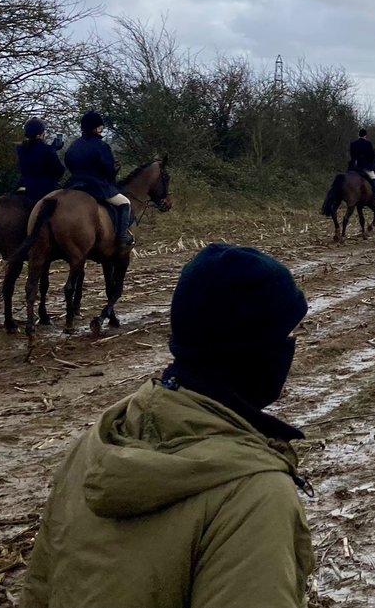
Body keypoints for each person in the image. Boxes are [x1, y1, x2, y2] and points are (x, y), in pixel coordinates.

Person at [21, 244, 314, 608]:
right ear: (254, 349)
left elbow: (39, 586)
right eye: (285, 337)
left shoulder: (93, 445)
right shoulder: (255, 494)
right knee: (119, 213)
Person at [64, 111, 134, 249]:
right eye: (100, 127)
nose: (101, 129)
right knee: (125, 202)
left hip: (74, 185)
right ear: (95, 128)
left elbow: (68, 164)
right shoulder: (101, 146)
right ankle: (122, 237)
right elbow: (108, 169)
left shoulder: (74, 145)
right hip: (96, 186)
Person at [17, 118, 65, 205]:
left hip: (25, 185)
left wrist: (52, 148)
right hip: (43, 190)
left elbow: (34, 152)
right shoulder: (47, 150)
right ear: (41, 133)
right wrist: (52, 150)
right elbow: (59, 171)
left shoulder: (20, 148)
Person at [348, 128, 375, 200]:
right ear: (365, 135)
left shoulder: (353, 144)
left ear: (358, 135)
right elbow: (372, 155)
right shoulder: (368, 144)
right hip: (365, 167)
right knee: (374, 178)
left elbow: (352, 155)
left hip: (354, 167)